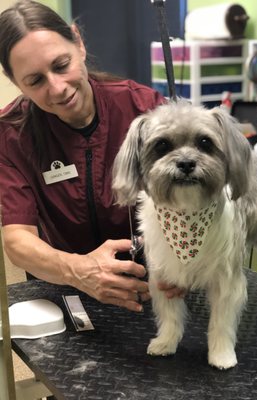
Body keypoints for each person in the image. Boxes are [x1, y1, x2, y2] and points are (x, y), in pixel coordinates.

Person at [0, 0, 183, 312]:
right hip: (66, 291)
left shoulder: (144, 108)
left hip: (155, 287)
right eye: (36, 81)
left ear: (79, 43)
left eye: (61, 65)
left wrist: (185, 259)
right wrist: (79, 271)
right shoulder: (11, 135)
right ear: (17, 83)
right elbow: (18, 241)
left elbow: (192, 195)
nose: (57, 88)